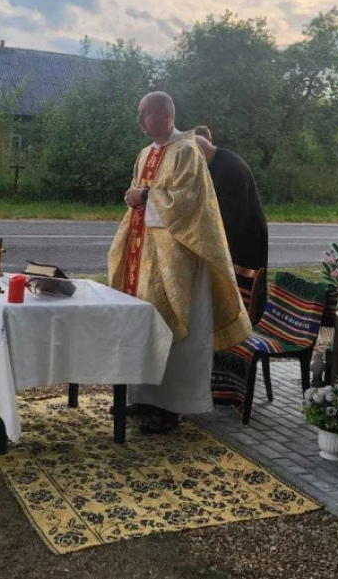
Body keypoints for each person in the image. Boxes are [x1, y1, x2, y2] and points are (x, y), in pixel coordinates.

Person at [108, 92, 251, 434]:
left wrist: (143, 197)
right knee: (145, 326)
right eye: (139, 113)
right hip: (143, 257)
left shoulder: (187, 151)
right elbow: (140, 197)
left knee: (175, 332)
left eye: (145, 114)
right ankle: (143, 396)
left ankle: (172, 408)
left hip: (178, 261)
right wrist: (135, 197)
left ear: (166, 114)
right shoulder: (145, 154)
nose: (139, 120)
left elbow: (189, 204)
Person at [193, 126, 268, 323]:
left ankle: (234, 336)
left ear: (200, 154)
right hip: (232, 242)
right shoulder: (214, 164)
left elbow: (229, 223)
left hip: (244, 246)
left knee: (236, 304)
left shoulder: (231, 170)